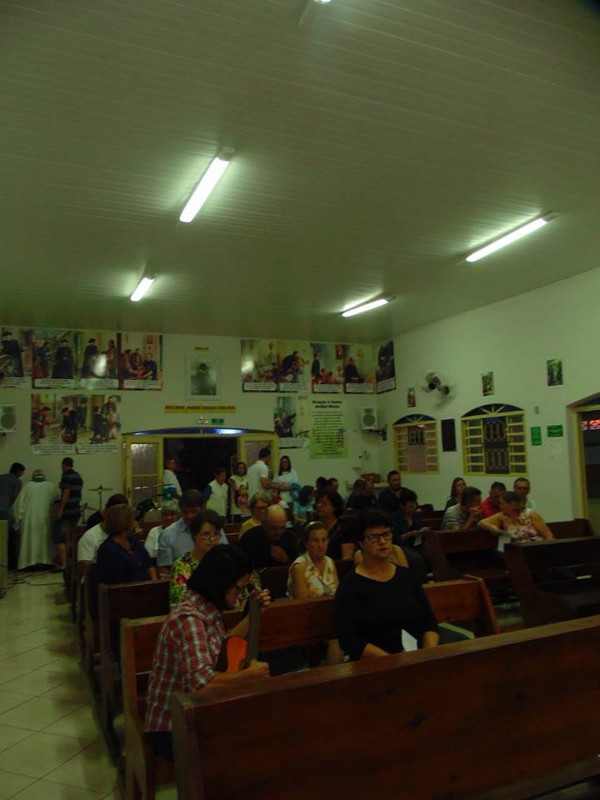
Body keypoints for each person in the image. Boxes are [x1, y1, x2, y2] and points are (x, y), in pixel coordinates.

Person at [144, 545, 270, 761]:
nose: (239, 596)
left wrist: (255, 613)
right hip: (172, 727)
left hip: (195, 712)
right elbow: (202, 685)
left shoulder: (206, 606)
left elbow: (222, 645)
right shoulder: (189, 619)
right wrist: (249, 676)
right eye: (238, 589)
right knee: (251, 743)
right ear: (221, 582)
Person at [335, 510, 439, 660]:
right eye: (374, 537)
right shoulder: (351, 585)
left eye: (386, 534)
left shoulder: (406, 576)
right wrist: (392, 662)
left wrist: (429, 653)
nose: (383, 541)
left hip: (417, 657)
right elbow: (350, 640)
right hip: (378, 663)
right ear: (361, 543)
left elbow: (429, 621)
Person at [157, 489, 227, 575]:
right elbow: (164, 570)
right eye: (185, 512)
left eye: (193, 511)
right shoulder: (168, 535)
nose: (189, 516)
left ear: (203, 508)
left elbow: (226, 556)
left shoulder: (214, 529)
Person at [169, 510, 222, 606]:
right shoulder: (182, 565)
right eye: (206, 534)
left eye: (216, 534)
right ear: (194, 535)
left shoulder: (226, 560)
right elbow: (178, 605)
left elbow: (242, 597)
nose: (212, 539)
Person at [95, 504, 157, 584]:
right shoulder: (108, 550)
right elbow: (116, 583)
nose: (134, 523)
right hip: (126, 590)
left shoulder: (133, 540)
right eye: (132, 520)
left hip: (145, 587)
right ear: (125, 522)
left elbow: (148, 563)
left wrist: (154, 582)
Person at [12, 468, 57, 569]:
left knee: (29, 540)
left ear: (33, 476)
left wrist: (18, 520)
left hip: (29, 519)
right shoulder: (51, 486)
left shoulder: (27, 486)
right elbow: (55, 502)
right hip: (45, 519)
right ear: (43, 476)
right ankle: (46, 561)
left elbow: (18, 505)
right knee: (45, 541)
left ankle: (28, 563)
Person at [77, 493, 129, 572]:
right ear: (107, 512)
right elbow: (85, 568)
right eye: (117, 514)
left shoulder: (126, 534)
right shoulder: (90, 536)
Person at [288, 521, 338, 599]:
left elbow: (337, 593)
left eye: (324, 540)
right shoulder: (299, 567)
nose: (320, 545)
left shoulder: (330, 562)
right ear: (306, 543)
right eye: (315, 540)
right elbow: (302, 602)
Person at [479, 491, 553, 543]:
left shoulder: (531, 514)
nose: (500, 506)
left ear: (512, 504)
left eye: (502, 504)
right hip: (517, 552)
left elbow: (549, 536)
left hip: (535, 548)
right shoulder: (502, 516)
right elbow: (481, 523)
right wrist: (492, 527)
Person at [391, 488, 430, 584]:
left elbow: (419, 529)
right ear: (402, 506)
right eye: (410, 506)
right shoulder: (395, 518)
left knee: (432, 553)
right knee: (416, 559)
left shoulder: (415, 516)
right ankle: (420, 583)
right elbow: (395, 539)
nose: (413, 509)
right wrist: (409, 534)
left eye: (414, 506)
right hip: (402, 545)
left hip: (416, 543)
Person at [54, 457, 83, 571]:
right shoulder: (78, 476)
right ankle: (71, 563)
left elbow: (66, 492)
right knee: (69, 538)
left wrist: (60, 510)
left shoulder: (66, 475)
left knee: (59, 538)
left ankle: (64, 565)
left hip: (67, 511)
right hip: (76, 510)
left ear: (63, 465)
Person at [315, 488, 356, 560]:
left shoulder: (344, 528)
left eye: (324, 503)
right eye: (318, 502)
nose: (319, 505)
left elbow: (347, 558)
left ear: (334, 507)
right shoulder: (312, 525)